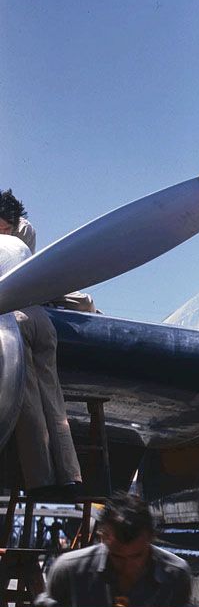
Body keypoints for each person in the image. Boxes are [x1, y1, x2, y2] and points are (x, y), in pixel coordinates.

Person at [0, 189, 83, 499]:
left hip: (14, 320)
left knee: (30, 403)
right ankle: (72, 477)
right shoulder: (21, 243)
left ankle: (41, 482)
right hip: (43, 321)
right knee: (54, 400)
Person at [35, 494, 191, 607]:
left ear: (151, 538)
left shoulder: (175, 574)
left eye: (137, 556)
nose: (128, 566)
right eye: (117, 557)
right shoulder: (69, 570)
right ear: (102, 538)